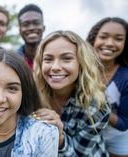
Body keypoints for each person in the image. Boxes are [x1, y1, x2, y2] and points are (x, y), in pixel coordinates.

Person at [33, 30, 110, 156]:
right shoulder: (32, 95)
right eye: (48, 59)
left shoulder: (97, 106)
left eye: (67, 59)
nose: (55, 67)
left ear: (81, 64)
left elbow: (79, 154)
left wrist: (60, 138)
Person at [87, 17, 128, 157]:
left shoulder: (125, 77)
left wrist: (95, 108)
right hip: (88, 137)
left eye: (118, 38)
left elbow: (124, 124)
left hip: (118, 141)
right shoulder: (82, 70)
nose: (109, 43)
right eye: (103, 37)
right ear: (93, 39)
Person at [17, 4, 45, 70]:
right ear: (20, 31)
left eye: (36, 23)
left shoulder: (56, 56)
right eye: (25, 24)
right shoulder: (13, 60)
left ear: (43, 28)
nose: (31, 28)